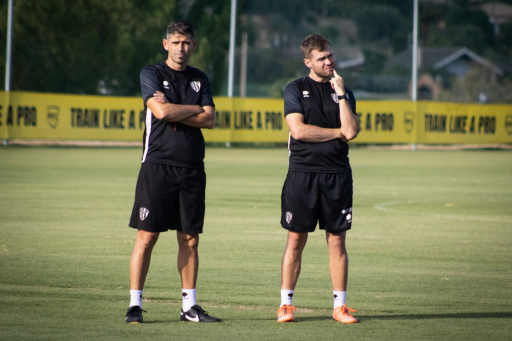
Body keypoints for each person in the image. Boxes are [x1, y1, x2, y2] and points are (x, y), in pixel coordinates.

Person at [125, 20, 220, 324]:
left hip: (192, 168)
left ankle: (189, 307)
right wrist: (194, 109)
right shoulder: (152, 74)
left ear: (194, 45)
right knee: (147, 236)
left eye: (186, 42)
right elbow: (161, 112)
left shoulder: (200, 79)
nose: (181, 48)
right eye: (176, 42)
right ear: (166, 44)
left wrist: (182, 109)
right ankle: (135, 305)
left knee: (190, 239)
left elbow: (210, 120)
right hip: (157, 165)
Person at [277, 34, 361, 324]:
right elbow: (299, 131)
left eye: (330, 56)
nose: (328, 61)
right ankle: (286, 305)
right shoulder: (295, 89)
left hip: (338, 175)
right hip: (302, 174)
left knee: (337, 242)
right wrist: (336, 133)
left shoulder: (344, 91)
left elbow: (351, 130)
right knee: (296, 240)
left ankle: (340, 306)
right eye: (322, 58)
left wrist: (339, 95)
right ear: (308, 62)